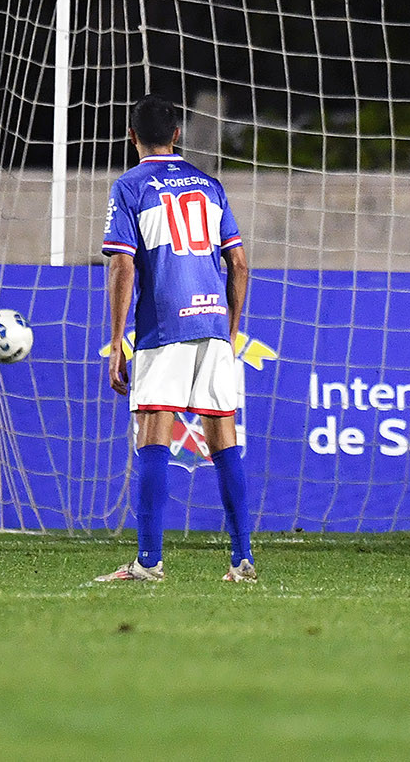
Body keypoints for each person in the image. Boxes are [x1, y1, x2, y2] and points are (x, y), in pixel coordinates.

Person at [95, 94, 255, 583]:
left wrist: (118, 338)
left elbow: (122, 262)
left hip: (164, 326)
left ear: (131, 136)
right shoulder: (210, 186)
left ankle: (148, 562)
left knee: (152, 434)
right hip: (212, 325)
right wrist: (228, 332)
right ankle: (242, 558)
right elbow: (240, 263)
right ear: (178, 136)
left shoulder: (130, 186)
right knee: (223, 436)